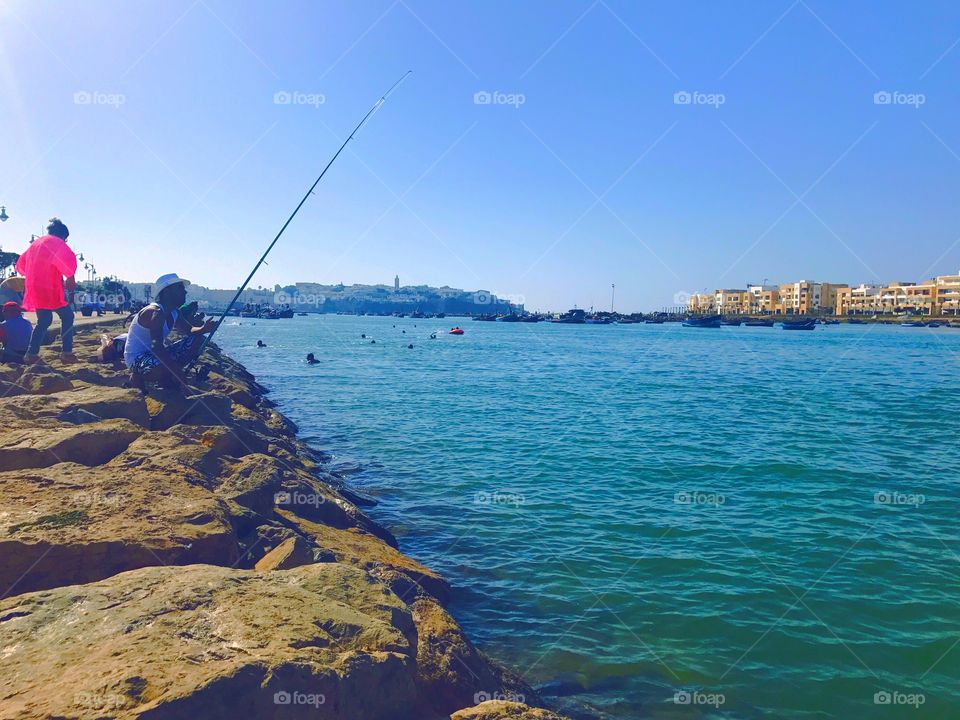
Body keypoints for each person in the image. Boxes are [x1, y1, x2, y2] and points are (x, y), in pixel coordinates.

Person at [124, 273, 216, 391]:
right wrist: (177, 372)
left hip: (154, 355)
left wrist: (203, 329)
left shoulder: (174, 312)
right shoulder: (155, 312)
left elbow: (190, 330)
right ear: (167, 291)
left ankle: (166, 378)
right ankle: (138, 376)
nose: (185, 292)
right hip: (137, 358)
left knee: (198, 339)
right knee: (164, 369)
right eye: (180, 288)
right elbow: (156, 347)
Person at [16, 218, 78, 363]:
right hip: (50, 288)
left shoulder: (35, 244)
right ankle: (67, 352)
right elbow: (67, 262)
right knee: (68, 316)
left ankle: (31, 354)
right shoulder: (57, 242)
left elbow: (22, 265)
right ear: (63, 235)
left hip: (35, 288)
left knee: (44, 320)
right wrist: (70, 278)